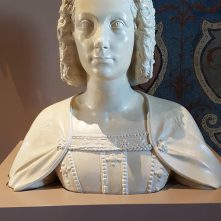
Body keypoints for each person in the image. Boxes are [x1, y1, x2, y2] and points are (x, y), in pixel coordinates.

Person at [8, 0, 221, 194]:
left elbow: (209, 178)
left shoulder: (173, 121)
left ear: (138, 32)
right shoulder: (51, 124)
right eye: (86, 24)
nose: (101, 41)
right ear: (71, 33)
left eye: (117, 24)